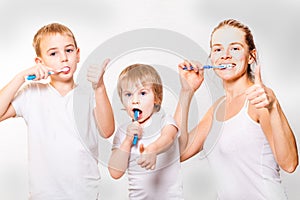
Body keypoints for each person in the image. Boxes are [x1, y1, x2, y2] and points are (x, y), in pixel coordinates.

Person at [175, 19, 298, 199]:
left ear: (250, 56)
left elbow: (289, 164)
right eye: (217, 49)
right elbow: (175, 154)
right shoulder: (216, 110)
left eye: (235, 48)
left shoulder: (260, 99)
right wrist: (186, 92)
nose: (225, 55)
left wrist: (273, 107)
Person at [0, 23, 115, 200]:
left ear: (77, 55)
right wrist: (20, 78)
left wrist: (99, 88)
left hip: (85, 194)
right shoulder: (31, 93)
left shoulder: (89, 93)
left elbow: (107, 130)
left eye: (69, 51)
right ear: (40, 62)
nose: (63, 58)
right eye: (53, 53)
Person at [108, 64, 185, 200]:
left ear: (156, 98)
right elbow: (115, 172)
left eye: (142, 93)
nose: (135, 100)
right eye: (128, 94)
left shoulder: (164, 121)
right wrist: (127, 141)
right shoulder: (122, 132)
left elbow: (169, 137)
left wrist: (153, 149)